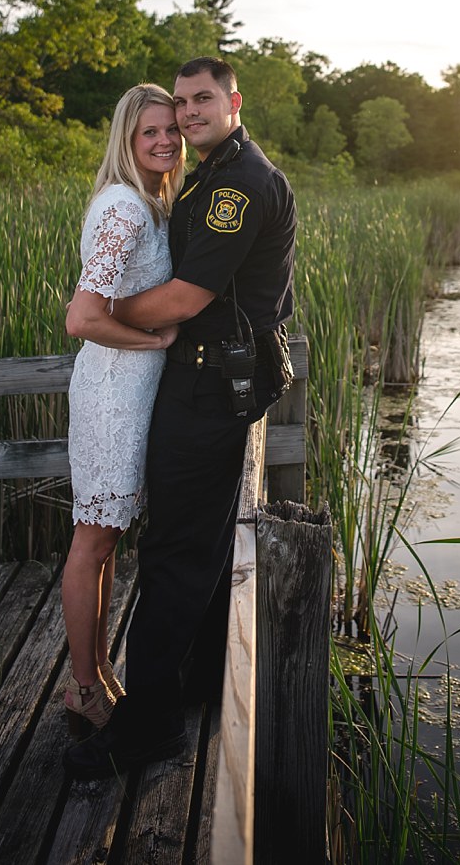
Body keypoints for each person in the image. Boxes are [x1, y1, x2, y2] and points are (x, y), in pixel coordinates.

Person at [64, 56, 297, 778]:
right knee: (190, 549)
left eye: (200, 102)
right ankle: (189, 688)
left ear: (233, 101)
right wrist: (107, 320)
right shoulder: (211, 173)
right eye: (177, 108)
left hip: (205, 390)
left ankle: (147, 730)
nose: (187, 118)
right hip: (199, 384)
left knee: (174, 556)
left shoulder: (239, 181)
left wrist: (107, 314)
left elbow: (187, 297)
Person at [61, 84, 184, 737]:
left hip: (130, 397)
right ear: (127, 141)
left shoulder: (149, 203)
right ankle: (84, 687)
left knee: (106, 541)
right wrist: (151, 340)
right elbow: (83, 317)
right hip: (111, 396)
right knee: (93, 541)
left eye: (171, 130)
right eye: (149, 133)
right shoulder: (124, 209)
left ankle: (100, 672)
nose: (165, 140)